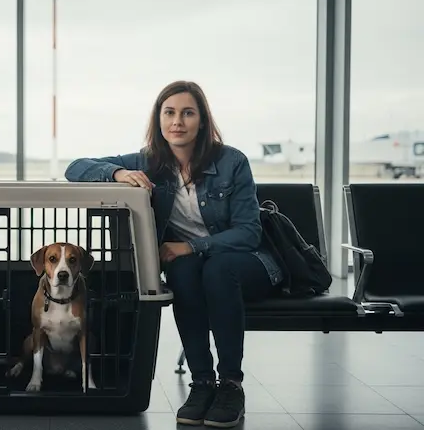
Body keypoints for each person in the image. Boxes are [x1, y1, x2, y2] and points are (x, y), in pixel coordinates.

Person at [64, 80, 282, 428]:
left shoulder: (232, 162)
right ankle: (201, 383)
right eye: (169, 112)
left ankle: (230, 384)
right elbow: (75, 168)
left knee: (214, 269)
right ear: (159, 119)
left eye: (187, 113)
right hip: (194, 268)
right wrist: (118, 173)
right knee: (181, 271)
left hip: (248, 263)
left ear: (202, 121)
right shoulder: (149, 162)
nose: (177, 121)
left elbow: (249, 232)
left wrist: (191, 246)